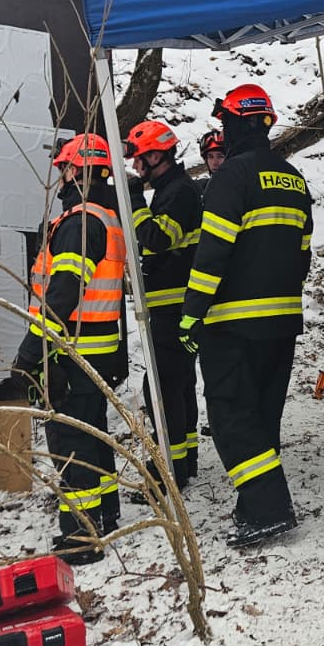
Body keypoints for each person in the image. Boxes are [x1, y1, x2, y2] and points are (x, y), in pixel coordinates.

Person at [178, 85, 313, 549]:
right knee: (262, 414)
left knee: (232, 414)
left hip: (232, 322)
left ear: (235, 123)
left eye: (224, 122)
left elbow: (212, 253)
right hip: (283, 320)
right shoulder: (293, 178)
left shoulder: (231, 177)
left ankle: (267, 506)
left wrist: (192, 314)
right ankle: (253, 503)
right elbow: (303, 257)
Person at [11, 134, 128, 566]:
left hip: (70, 348)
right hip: (95, 347)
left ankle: (81, 533)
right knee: (92, 432)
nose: (60, 177)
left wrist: (32, 351)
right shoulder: (106, 217)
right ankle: (105, 513)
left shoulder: (79, 223)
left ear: (76, 170)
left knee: (70, 441)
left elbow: (63, 292)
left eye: (64, 168)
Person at [124, 119, 202, 497]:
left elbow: (156, 239)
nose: (137, 168)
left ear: (157, 155)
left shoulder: (178, 193)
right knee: (180, 384)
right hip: (174, 304)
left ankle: (168, 472)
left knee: (161, 386)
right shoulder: (174, 189)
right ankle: (185, 460)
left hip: (174, 306)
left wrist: (135, 200)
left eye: (140, 160)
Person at [197, 130, 226, 198]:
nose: (215, 163)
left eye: (220, 156)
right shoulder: (201, 188)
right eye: (210, 157)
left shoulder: (242, 187)